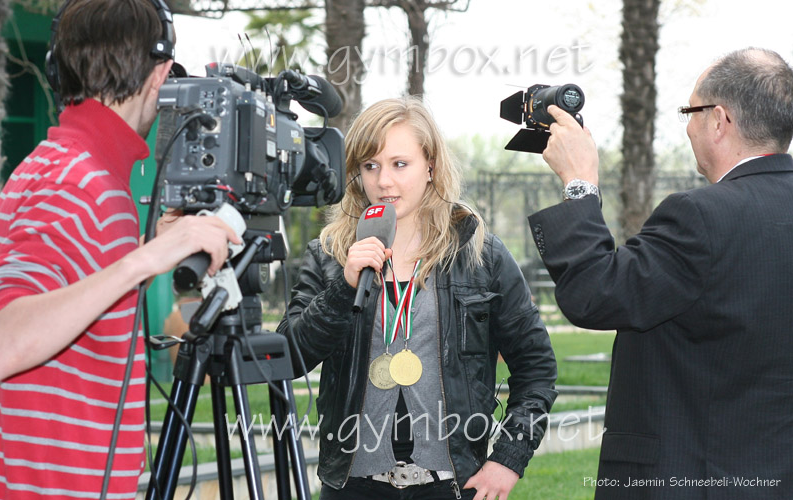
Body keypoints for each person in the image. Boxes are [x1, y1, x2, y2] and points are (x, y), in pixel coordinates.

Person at [0, 0, 240, 498]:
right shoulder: (75, 181)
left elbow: (89, 309)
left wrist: (153, 254)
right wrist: (143, 260)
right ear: (161, 74)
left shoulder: (68, 168)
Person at [528, 47, 793, 500]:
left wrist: (579, 183)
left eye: (690, 111)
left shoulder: (700, 216)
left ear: (718, 120)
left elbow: (595, 293)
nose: (688, 127)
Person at [278, 97, 557, 500]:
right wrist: (345, 286)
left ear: (430, 165)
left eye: (399, 164)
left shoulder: (481, 255)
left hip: (451, 486)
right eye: (370, 166)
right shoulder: (329, 255)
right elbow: (290, 355)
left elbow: (537, 369)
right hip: (353, 487)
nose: (384, 181)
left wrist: (508, 459)